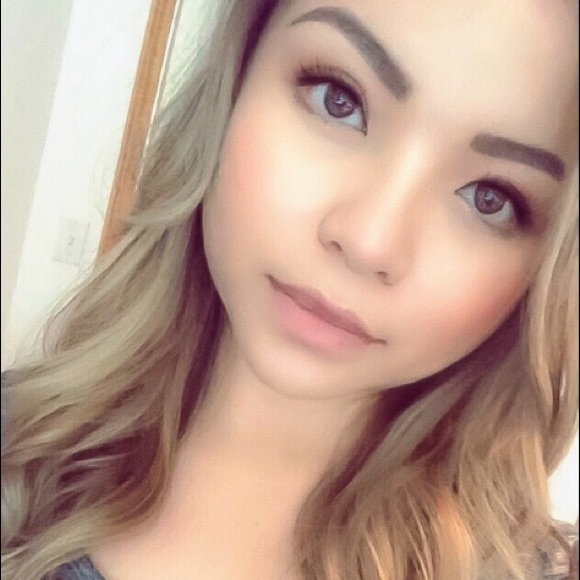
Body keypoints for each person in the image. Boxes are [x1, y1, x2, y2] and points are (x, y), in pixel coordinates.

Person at [1, 0, 578, 578]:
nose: (370, 241)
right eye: (339, 101)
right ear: (237, 78)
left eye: (490, 199)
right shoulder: (17, 443)